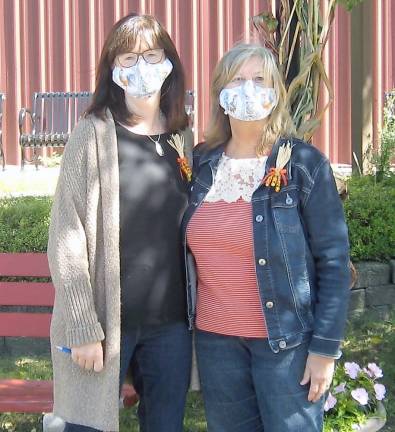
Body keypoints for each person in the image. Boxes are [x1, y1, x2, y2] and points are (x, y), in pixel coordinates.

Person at [182, 43, 351, 432]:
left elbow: (334, 261)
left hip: (286, 345)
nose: (247, 89)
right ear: (220, 94)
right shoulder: (201, 163)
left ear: (275, 91)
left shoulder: (304, 164)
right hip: (216, 343)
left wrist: (325, 348)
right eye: (237, 80)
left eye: (259, 80)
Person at [48, 13, 193, 432]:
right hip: (105, 324)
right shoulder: (91, 134)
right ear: (112, 69)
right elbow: (66, 234)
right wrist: (81, 325)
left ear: (169, 63)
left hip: (171, 327)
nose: (141, 68)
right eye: (128, 58)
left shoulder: (180, 137)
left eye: (151, 55)